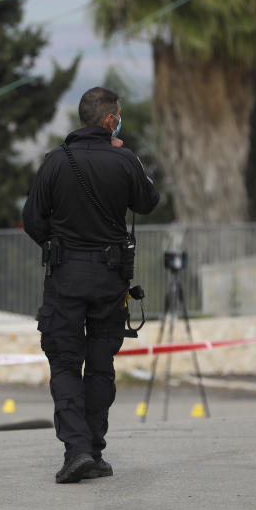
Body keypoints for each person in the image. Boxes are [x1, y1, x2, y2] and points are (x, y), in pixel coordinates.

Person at [23, 86, 159, 483]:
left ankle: (77, 450)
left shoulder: (54, 162)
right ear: (110, 120)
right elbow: (149, 201)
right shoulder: (124, 158)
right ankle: (94, 450)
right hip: (109, 279)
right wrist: (126, 154)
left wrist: (58, 245)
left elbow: (32, 220)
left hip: (65, 277)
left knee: (65, 362)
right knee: (100, 365)